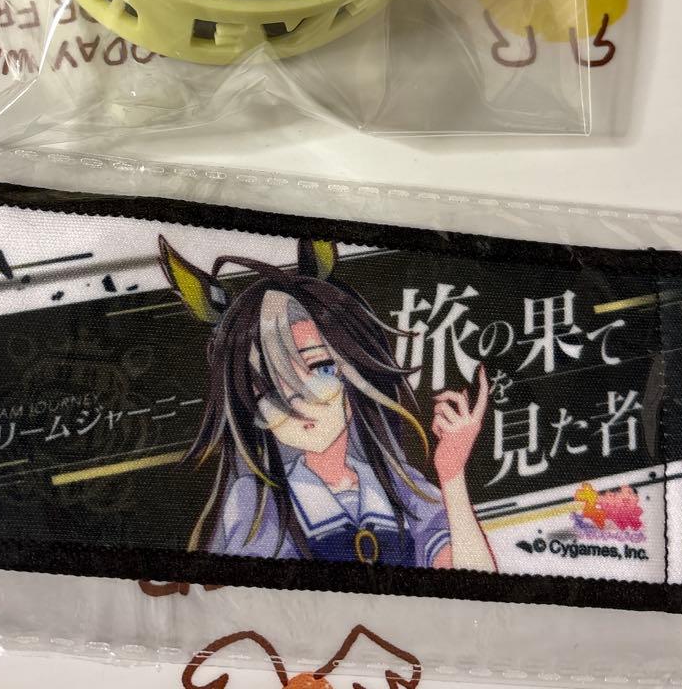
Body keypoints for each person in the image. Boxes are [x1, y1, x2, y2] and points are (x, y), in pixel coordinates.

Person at [159, 236, 497, 571]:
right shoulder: (259, 502)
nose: (299, 402)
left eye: (320, 368)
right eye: (269, 389)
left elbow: (472, 583)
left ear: (351, 374)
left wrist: (452, 475)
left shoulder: (397, 483)